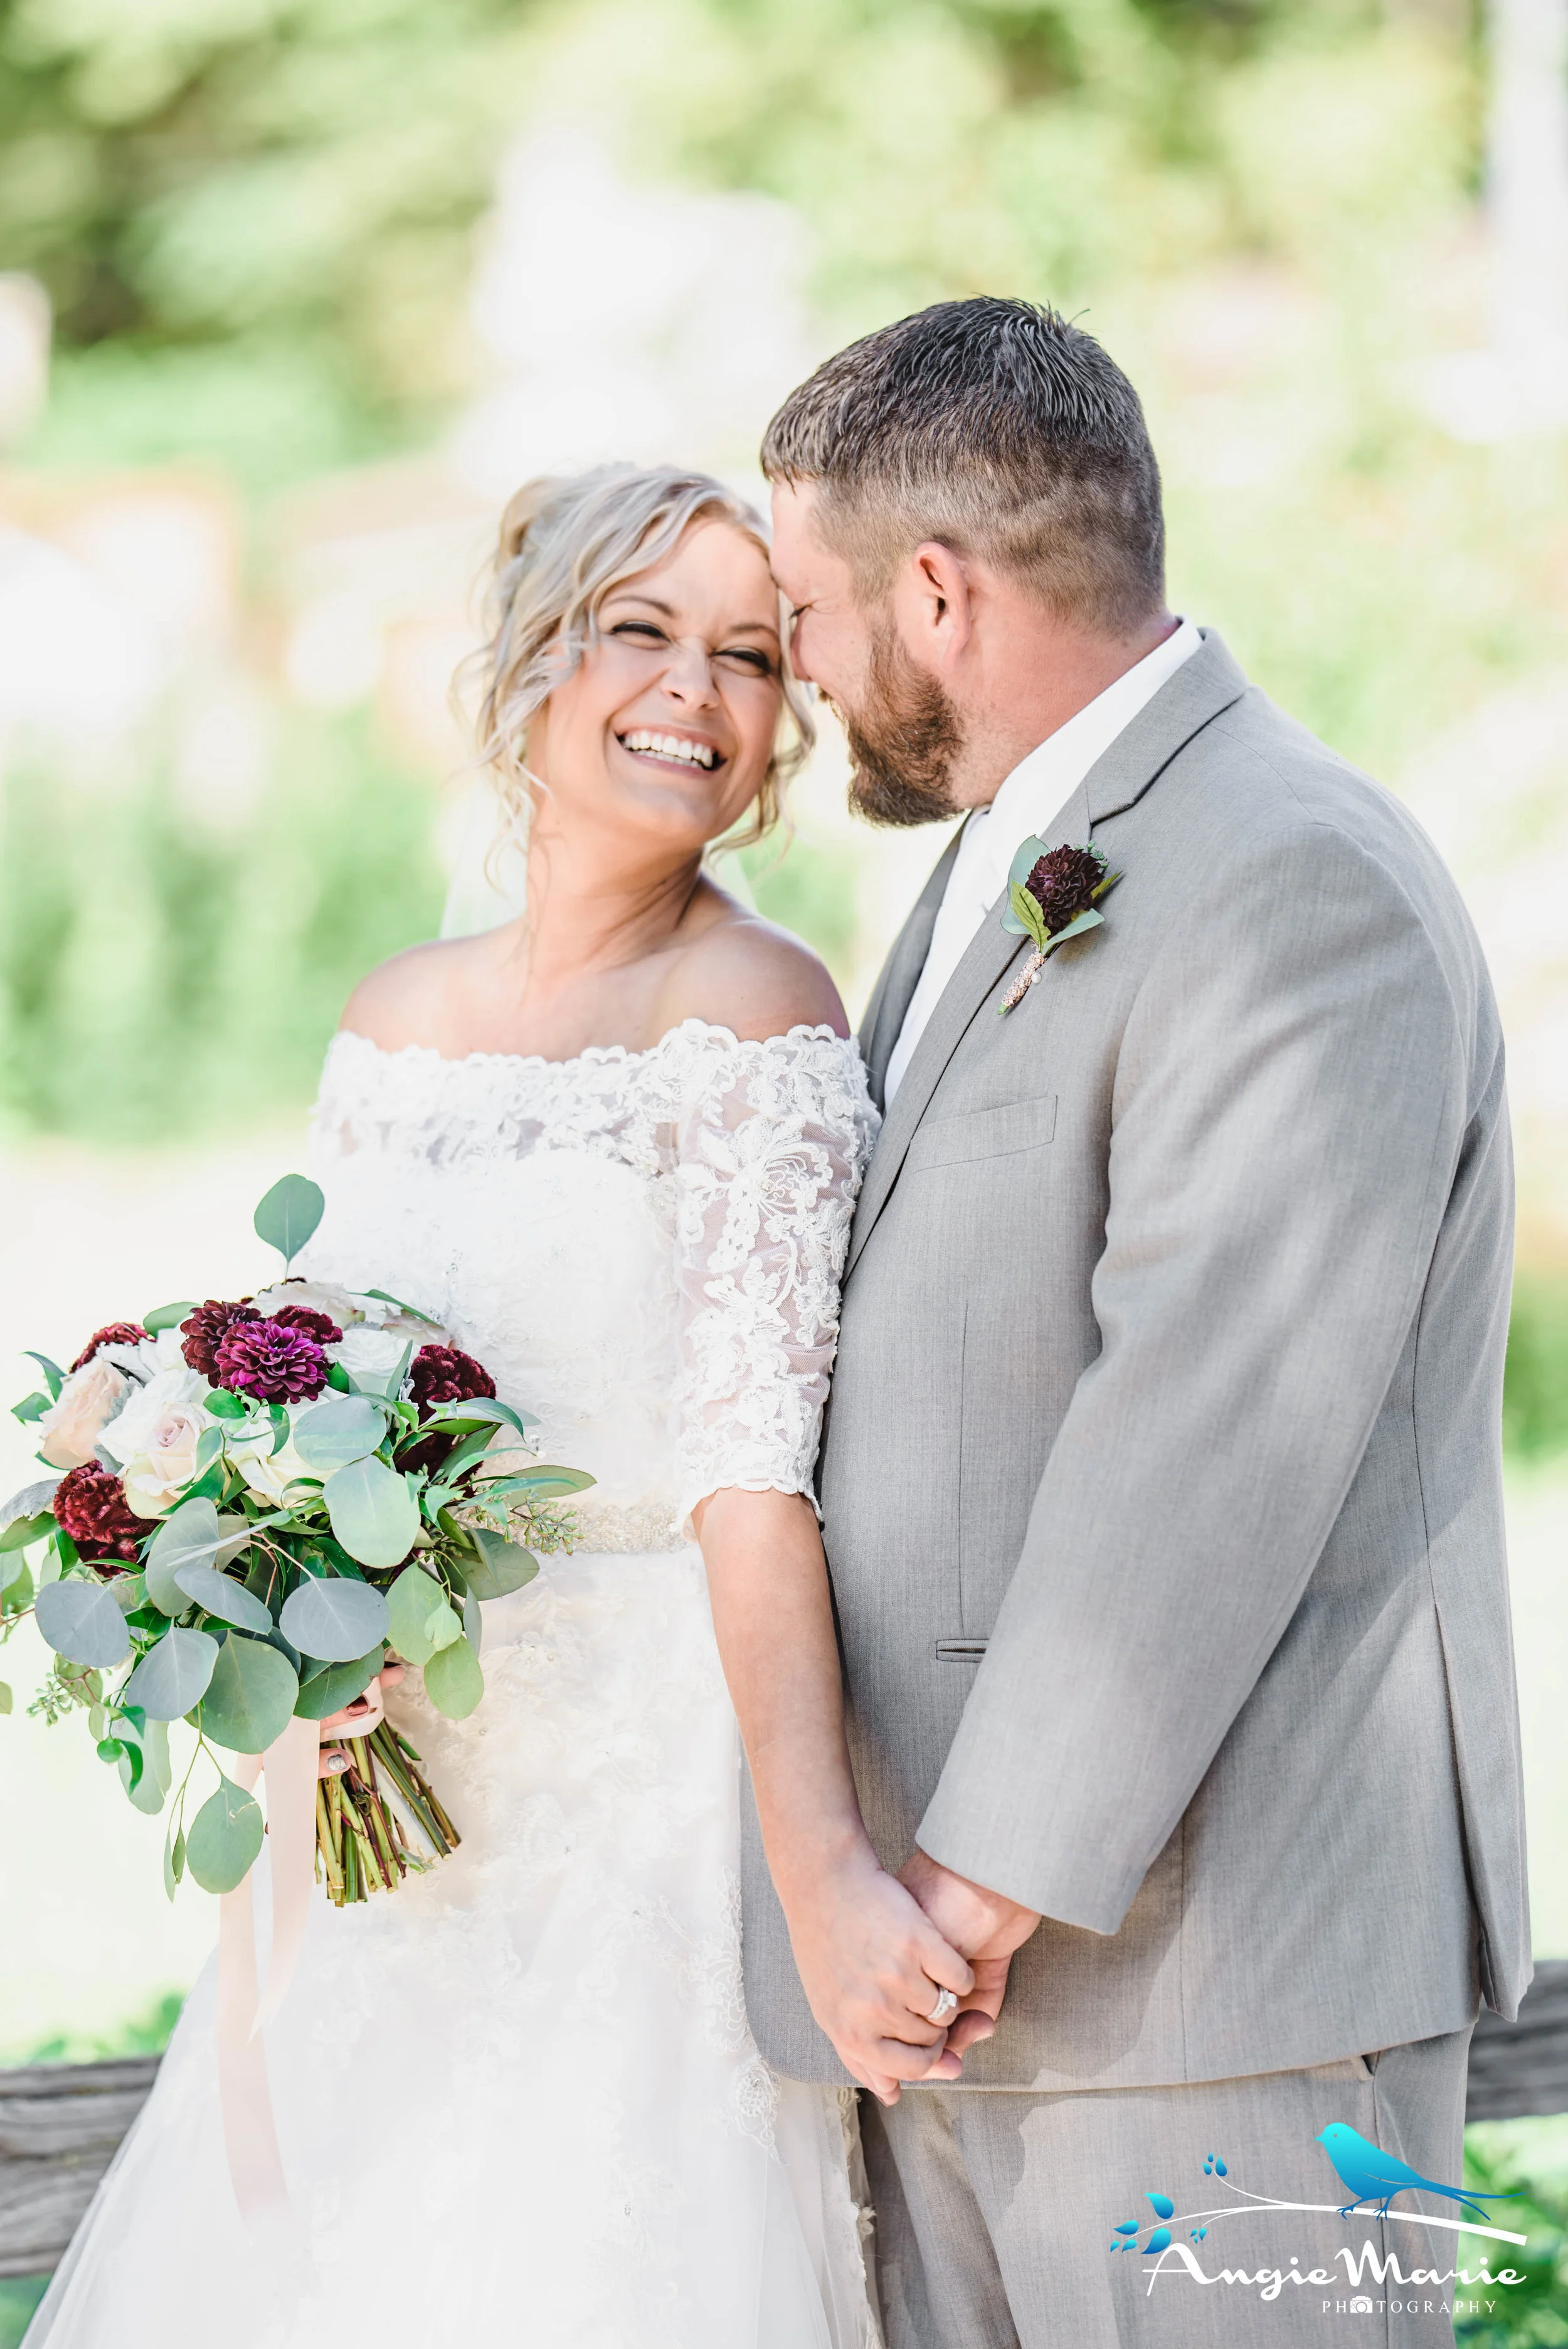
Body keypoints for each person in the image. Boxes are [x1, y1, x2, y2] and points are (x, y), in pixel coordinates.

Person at [26, 463, 970, 2349]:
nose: (692, 691)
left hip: (640, 1796)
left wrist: (823, 1871)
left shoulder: (756, 1007)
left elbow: (752, 1481)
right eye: (640, 631)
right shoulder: (396, 1013)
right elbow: (307, 1360)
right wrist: (197, 1486)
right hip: (385, 1773)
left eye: (750, 654)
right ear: (534, 658)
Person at [730, 298, 1530, 2348]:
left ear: (933, 593)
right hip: (956, 1985)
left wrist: (962, 1901)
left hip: (1220, 1993)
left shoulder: (1291, 881)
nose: (800, 670)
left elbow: (1210, 1430)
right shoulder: (1022, 850)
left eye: (809, 610)